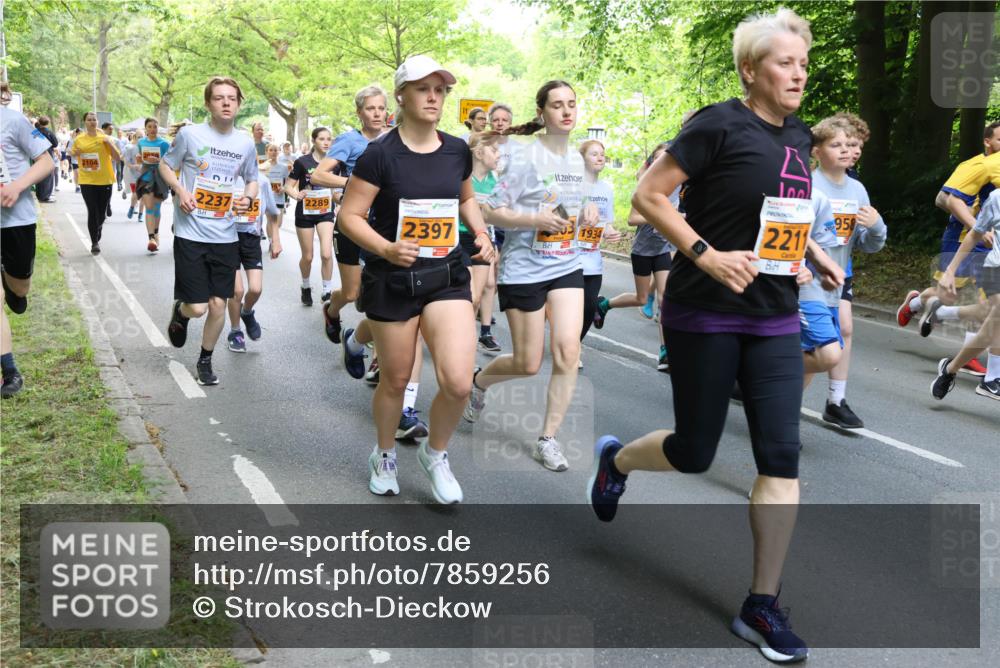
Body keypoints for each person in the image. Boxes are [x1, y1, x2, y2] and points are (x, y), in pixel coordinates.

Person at [587, 9, 844, 664]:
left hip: (775, 313)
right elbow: (648, 197)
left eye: (804, 64)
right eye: (785, 63)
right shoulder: (716, 124)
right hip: (705, 310)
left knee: (780, 457)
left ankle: (762, 603)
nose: (799, 74)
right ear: (750, 70)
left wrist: (812, 252)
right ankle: (617, 461)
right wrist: (706, 256)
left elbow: (777, 210)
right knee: (695, 451)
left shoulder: (799, 137)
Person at [337, 55, 495, 503]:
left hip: (446, 275)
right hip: (393, 280)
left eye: (440, 90)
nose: (433, 97)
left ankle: (436, 453)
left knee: (458, 382)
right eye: (423, 88)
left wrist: (481, 233)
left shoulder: (456, 150)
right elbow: (350, 216)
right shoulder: (380, 154)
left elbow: (465, 198)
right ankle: (384, 454)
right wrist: (386, 248)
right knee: (396, 379)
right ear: (401, 96)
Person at [463, 80, 600, 472]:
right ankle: (479, 383)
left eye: (571, 103)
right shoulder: (526, 158)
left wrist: (587, 213)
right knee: (528, 362)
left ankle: (547, 439)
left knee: (568, 351)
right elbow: (491, 211)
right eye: (557, 105)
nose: (567, 111)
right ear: (542, 113)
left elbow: (573, 208)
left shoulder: (577, 160)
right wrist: (533, 219)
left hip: (566, 264)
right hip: (524, 268)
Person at [159, 76, 258, 386]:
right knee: (199, 307)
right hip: (190, 232)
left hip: (226, 235)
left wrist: (248, 198)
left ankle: (205, 360)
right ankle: (181, 312)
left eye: (232, 98)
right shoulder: (190, 135)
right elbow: (165, 165)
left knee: (218, 304)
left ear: (238, 104)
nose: (226, 102)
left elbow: (252, 179)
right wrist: (179, 190)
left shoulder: (245, 143)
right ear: (208, 103)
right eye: (219, 98)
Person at [897, 122, 1000, 376]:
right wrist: (978, 226)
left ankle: (971, 358)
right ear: (987, 141)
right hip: (964, 237)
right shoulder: (980, 165)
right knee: (949, 293)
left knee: (986, 302)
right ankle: (916, 303)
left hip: (993, 244)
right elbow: (945, 198)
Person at [808, 115, 887, 428]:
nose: (848, 150)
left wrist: (876, 226)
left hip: (840, 271)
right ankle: (768, 388)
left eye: (853, 145)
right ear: (816, 151)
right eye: (838, 144)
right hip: (805, 273)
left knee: (843, 330)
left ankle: (836, 400)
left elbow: (867, 242)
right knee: (819, 345)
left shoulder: (857, 190)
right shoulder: (809, 184)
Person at [314, 85, 388, 342]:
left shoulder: (394, 139)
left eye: (381, 108)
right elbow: (318, 175)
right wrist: (358, 184)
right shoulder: (349, 140)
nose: (377, 114)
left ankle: (377, 354)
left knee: (383, 294)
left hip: (383, 226)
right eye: (370, 108)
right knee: (351, 293)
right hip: (351, 224)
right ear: (359, 112)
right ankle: (331, 311)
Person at [593, 142, 674, 370]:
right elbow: (632, 219)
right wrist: (657, 216)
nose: (661, 162)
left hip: (662, 249)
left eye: (665, 158)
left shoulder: (674, 186)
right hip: (642, 251)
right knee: (641, 298)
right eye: (656, 158)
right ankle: (604, 305)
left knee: (664, 299)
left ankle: (664, 351)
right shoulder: (643, 188)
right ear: (651, 162)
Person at [1, 81, 57, 397]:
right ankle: (10, 372)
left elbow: (46, 162)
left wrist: (17, 186)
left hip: (16, 220)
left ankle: (14, 287)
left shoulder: (14, 121)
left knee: (19, 289)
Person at [933, 188, 1000, 400]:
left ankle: (950, 369)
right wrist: (950, 271)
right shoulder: (996, 199)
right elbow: (974, 234)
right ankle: (992, 378)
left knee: (990, 329)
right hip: (995, 270)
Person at [577, 139, 622, 361]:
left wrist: (610, 232)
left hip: (593, 259)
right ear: (582, 159)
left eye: (602, 154)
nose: (600, 157)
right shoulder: (574, 186)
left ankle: (574, 345)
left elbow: (606, 222)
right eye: (594, 154)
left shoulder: (606, 189)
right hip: (570, 258)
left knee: (588, 308)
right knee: (568, 309)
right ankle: (567, 349)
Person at [284, 127, 336, 306]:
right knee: (308, 256)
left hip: (325, 212)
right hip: (305, 213)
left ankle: (327, 291)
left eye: (329, 139)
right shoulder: (302, 162)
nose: (326, 142)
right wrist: (295, 194)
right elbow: (288, 186)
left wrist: (339, 204)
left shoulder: (335, 162)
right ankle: (305, 286)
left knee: (326, 253)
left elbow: (337, 188)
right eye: (322, 139)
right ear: (314, 141)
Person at [226, 166, 274, 352]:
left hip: (251, 238)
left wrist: (275, 240)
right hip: (227, 237)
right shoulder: (225, 177)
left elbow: (272, 213)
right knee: (237, 291)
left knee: (255, 289)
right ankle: (235, 331)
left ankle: (246, 312)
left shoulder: (262, 181)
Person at [465, 132, 504, 352]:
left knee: (476, 299)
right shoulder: (463, 177)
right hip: (460, 239)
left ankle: (466, 351)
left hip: (484, 240)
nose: (499, 155)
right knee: (469, 297)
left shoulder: (494, 181)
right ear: (479, 153)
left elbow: (499, 213)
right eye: (494, 150)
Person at [71, 112, 120, 254]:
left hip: (105, 180)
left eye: (94, 119)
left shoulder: (105, 138)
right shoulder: (79, 139)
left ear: (97, 122)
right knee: (92, 211)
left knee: (102, 214)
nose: (92, 122)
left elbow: (117, 158)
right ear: (85, 122)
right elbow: (72, 152)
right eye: (89, 120)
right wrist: (75, 152)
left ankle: (98, 228)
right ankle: (94, 242)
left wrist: (108, 144)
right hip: (87, 180)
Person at [136, 117, 171, 253]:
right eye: (149, 127)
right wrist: (139, 159)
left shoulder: (164, 144)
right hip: (146, 177)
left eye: (155, 126)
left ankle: (156, 233)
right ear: (146, 128)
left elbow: (170, 161)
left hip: (160, 178)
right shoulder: (141, 142)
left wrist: (159, 160)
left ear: (158, 128)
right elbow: (140, 159)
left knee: (156, 207)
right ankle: (151, 238)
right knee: (149, 207)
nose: (152, 129)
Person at [261, 143, 290, 255]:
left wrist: (283, 188)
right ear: (266, 152)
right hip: (267, 198)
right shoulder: (262, 167)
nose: (273, 152)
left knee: (279, 223)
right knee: (271, 221)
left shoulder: (283, 167)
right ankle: (272, 242)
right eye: (271, 150)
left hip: (279, 197)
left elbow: (289, 182)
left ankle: (273, 240)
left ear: (278, 152)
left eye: (275, 150)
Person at [32, 116, 59, 203]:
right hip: (47, 156)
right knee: (47, 176)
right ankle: (45, 196)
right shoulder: (49, 132)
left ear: (39, 122)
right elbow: (55, 144)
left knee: (38, 175)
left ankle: (39, 194)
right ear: (47, 123)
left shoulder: (35, 132)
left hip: (36, 155)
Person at [122, 132, 144, 223]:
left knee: (143, 195)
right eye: (139, 137)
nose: (141, 138)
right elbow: (126, 161)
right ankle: (132, 207)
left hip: (144, 174)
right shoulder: (129, 148)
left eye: (142, 136)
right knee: (135, 193)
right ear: (135, 137)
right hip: (133, 174)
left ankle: (141, 215)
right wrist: (133, 166)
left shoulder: (146, 148)